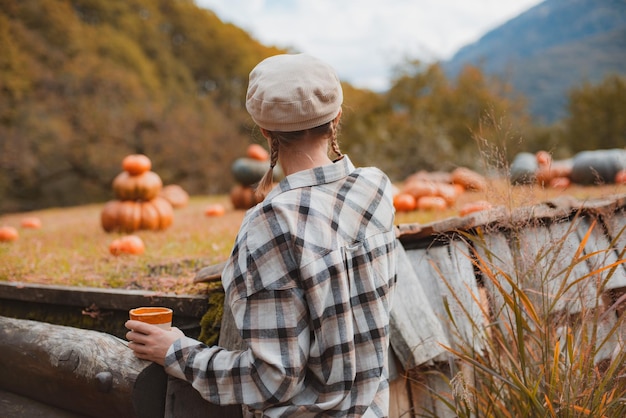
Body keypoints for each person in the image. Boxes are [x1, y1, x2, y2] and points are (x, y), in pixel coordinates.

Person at [126, 53, 399, 417]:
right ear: (335, 118)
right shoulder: (376, 188)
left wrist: (176, 352)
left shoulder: (271, 222)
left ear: (267, 131)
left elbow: (272, 380)